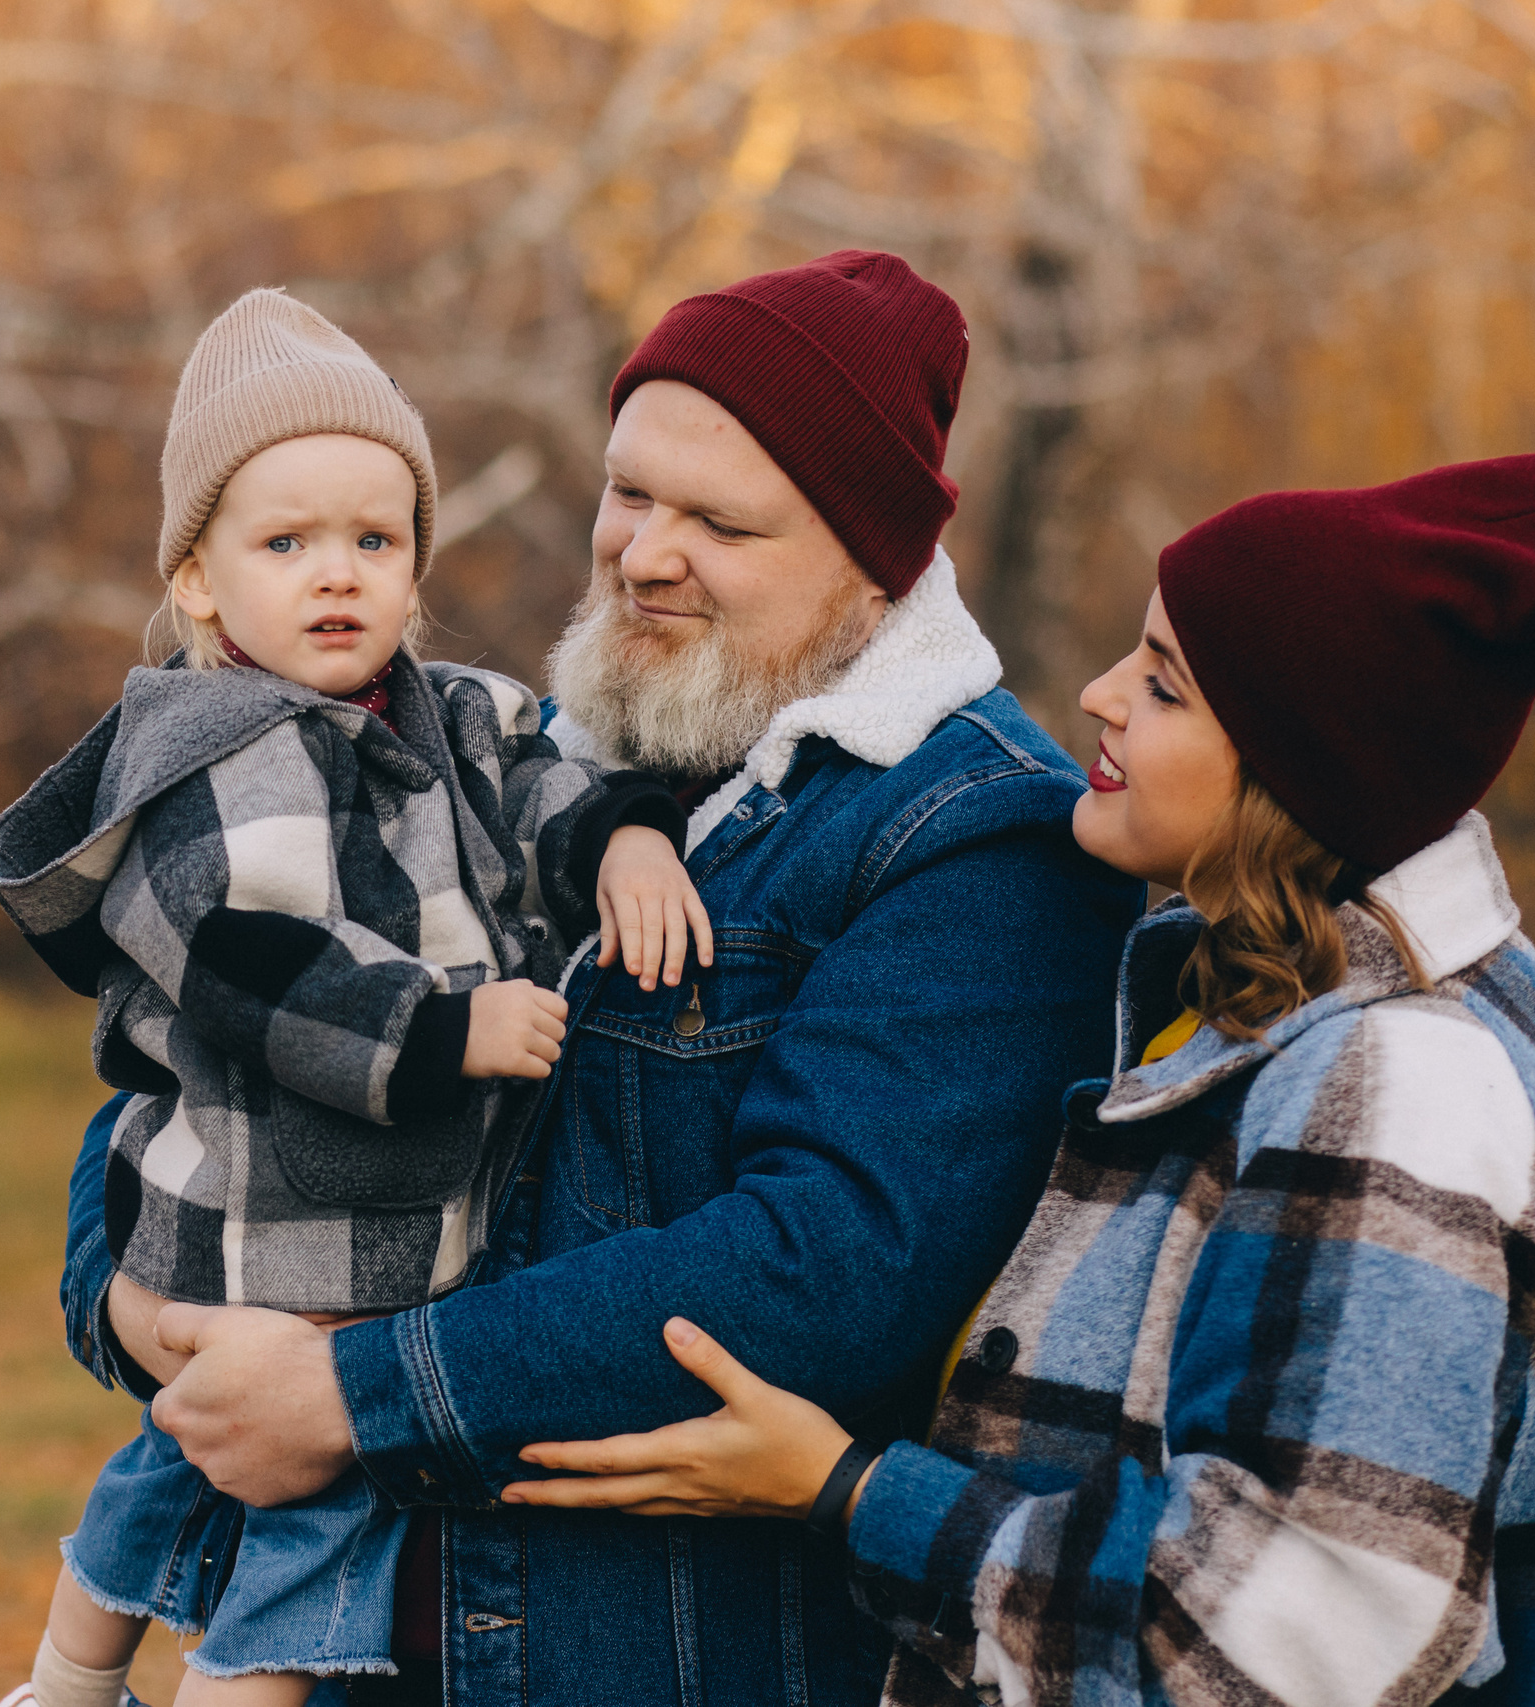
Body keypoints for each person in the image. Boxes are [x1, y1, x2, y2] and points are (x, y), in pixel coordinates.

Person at [73, 251, 1148, 1705]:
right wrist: (135, 1303)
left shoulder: (974, 836)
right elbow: (208, 1035)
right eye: (632, 491)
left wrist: (349, 1394)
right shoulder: (547, 756)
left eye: (720, 520)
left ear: (872, 561)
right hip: (378, 1628)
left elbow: (820, 1267)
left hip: (652, 1651)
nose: (643, 552)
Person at [500, 453, 1535, 1707]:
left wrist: (852, 1490)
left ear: (1291, 769)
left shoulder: (1394, 1079)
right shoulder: (1274, 995)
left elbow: (1284, 1640)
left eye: (1161, 686)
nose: (1098, 696)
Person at [0, 289, 710, 1707]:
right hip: (266, 1210)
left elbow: (540, 770)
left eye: (376, 541)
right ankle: (140, 1680)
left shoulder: (446, 708)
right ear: (198, 581)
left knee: (178, 1457)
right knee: (314, 1506)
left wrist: (621, 832)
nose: (339, 576)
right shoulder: (213, 758)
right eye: (288, 542)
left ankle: (67, 1678)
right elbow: (257, 967)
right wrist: (450, 1029)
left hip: (361, 1214)